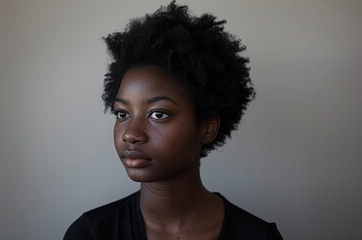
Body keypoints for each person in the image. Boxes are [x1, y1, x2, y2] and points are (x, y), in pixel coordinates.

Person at [64, 1, 283, 239]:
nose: (130, 134)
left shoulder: (258, 236)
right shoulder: (91, 234)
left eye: (158, 114)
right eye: (122, 114)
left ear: (208, 126)